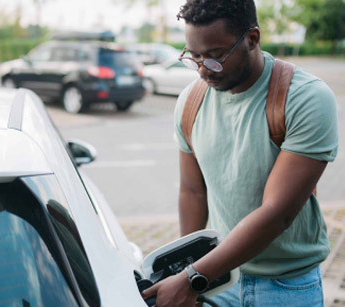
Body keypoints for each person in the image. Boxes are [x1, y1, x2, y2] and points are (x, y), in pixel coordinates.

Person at [142, 0, 339, 306]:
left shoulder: (305, 98)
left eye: (216, 56)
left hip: (285, 287)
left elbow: (277, 213)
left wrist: (193, 277)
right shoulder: (191, 102)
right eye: (194, 56)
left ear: (252, 39)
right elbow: (193, 192)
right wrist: (186, 270)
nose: (204, 69)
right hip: (218, 282)